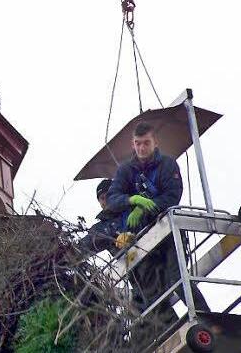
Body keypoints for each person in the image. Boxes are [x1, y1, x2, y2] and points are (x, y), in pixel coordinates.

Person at [106, 122, 209, 330]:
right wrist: (132, 200)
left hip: (168, 232)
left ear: (155, 142)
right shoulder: (126, 170)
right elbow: (113, 198)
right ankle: (172, 330)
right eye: (138, 144)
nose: (142, 148)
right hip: (144, 239)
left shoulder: (167, 165)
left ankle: (205, 317)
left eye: (146, 143)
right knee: (150, 292)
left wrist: (146, 208)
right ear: (133, 145)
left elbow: (172, 196)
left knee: (176, 279)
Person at [79, 179, 123, 256]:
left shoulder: (132, 206)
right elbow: (85, 246)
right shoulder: (99, 228)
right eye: (102, 198)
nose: (104, 201)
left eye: (108, 196)